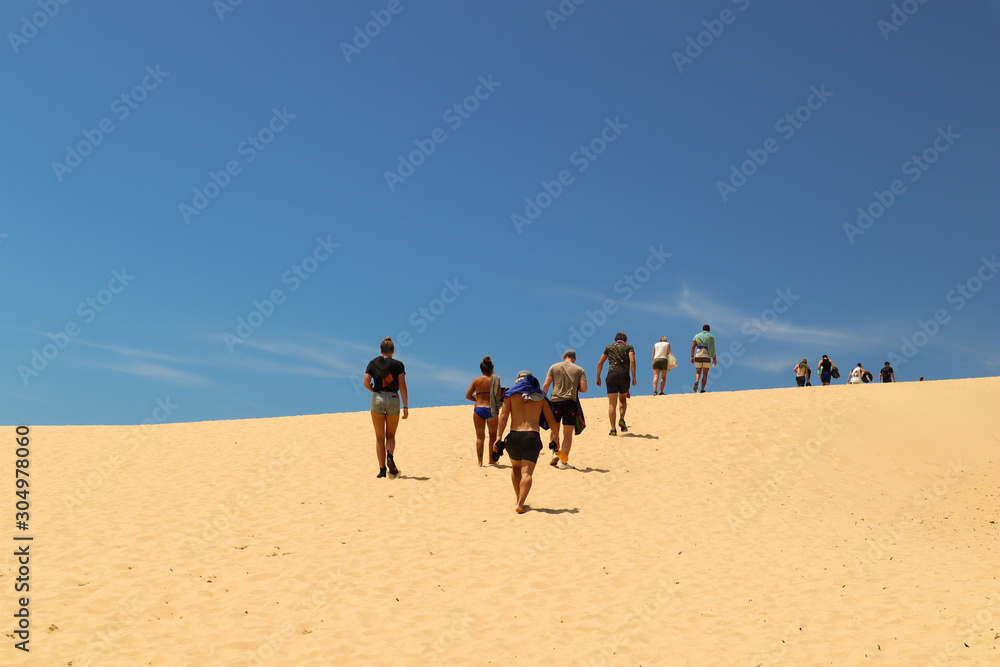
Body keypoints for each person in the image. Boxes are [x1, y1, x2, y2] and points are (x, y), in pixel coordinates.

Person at [493, 371, 558, 514]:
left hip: (514, 437)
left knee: (516, 469)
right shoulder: (540, 397)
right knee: (527, 472)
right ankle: (521, 504)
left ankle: (518, 500)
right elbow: (551, 420)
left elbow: (503, 417)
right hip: (532, 436)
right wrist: (556, 438)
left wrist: (498, 437)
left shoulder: (510, 395)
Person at [364, 337, 408, 478]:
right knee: (390, 435)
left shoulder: (373, 363)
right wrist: (406, 406)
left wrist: (374, 391)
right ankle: (390, 456)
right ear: (393, 351)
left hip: (377, 398)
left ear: (381, 350)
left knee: (379, 437)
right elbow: (402, 386)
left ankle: (382, 470)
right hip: (394, 399)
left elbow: (366, 382)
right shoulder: (399, 365)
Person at [542, 350, 587, 469]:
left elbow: (546, 385)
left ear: (564, 357)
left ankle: (554, 454)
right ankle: (563, 463)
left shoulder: (554, 367)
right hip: (570, 402)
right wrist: (574, 385)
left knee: (554, 431)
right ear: (574, 359)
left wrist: (542, 401)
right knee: (567, 434)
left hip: (555, 401)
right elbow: (584, 389)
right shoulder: (579, 370)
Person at [595, 332, 636, 435]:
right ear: (626, 340)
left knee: (612, 403)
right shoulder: (629, 347)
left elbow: (600, 362)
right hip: (624, 376)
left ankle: (613, 429)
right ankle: (622, 418)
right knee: (622, 398)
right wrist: (634, 377)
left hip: (612, 375)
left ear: (615, 340)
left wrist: (598, 376)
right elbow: (632, 360)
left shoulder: (609, 347)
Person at [466, 356, 499, 467]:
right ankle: (492, 460)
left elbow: (468, 396)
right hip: (492, 409)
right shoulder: (496, 379)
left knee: (480, 437)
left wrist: (477, 399)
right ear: (492, 369)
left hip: (479, 408)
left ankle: (480, 462)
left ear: (481, 370)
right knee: (493, 436)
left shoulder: (476, 381)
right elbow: (499, 395)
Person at [690, 324, 716, 393]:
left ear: (702, 329)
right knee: (705, 374)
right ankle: (702, 389)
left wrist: (692, 357)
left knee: (698, 372)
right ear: (709, 330)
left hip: (698, 355)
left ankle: (696, 381)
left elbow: (693, 347)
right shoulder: (711, 337)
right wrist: (714, 358)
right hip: (706, 356)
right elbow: (712, 348)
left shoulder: (697, 336)